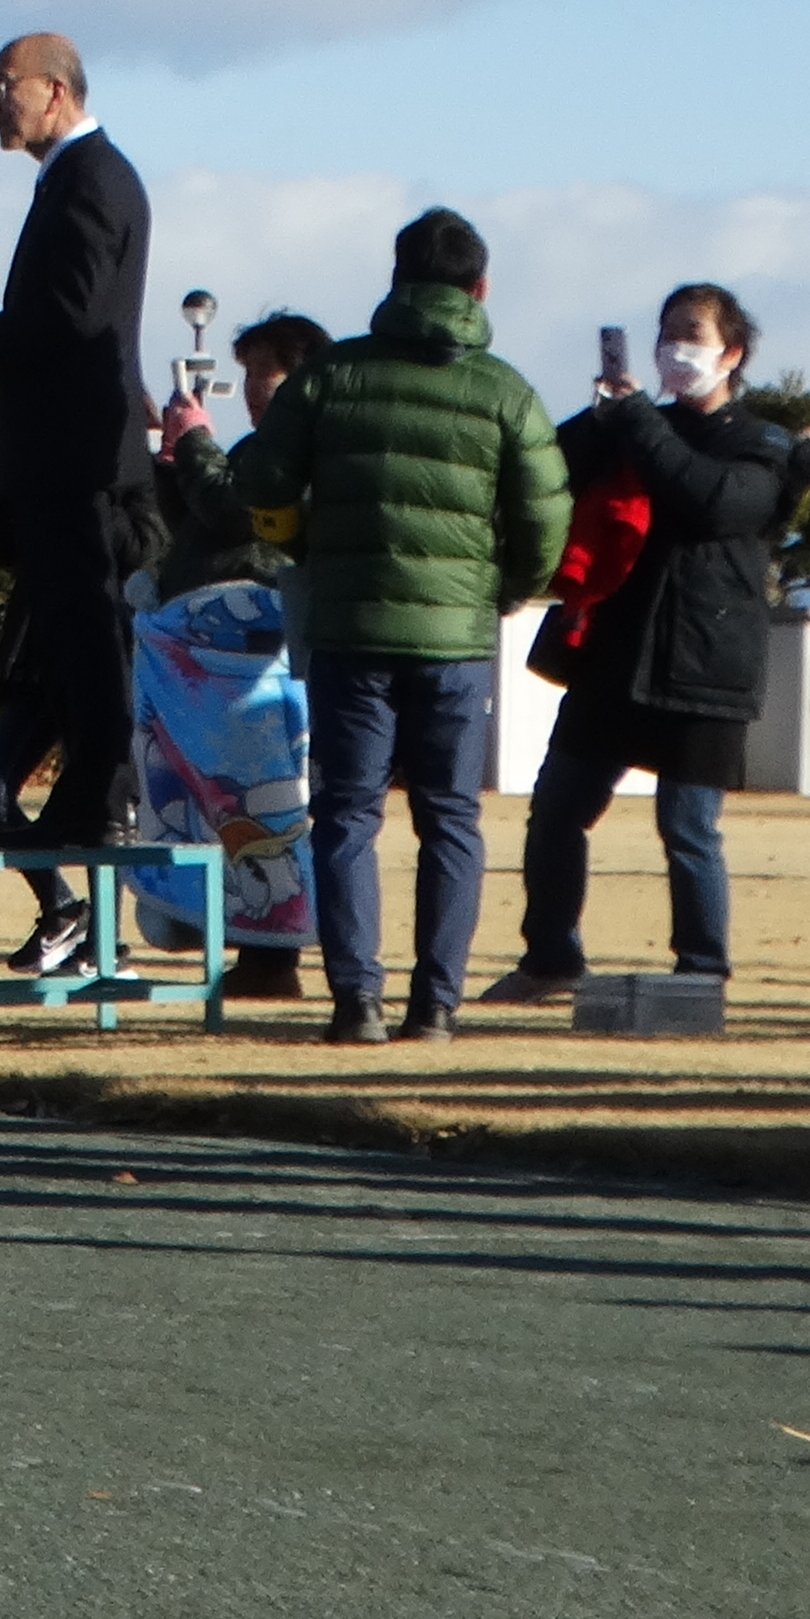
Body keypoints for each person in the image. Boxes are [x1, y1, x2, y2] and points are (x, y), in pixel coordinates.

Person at [218, 208, 566, 1044]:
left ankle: (356, 1002)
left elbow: (259, 475)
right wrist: (507, 586)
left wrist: (299, 542)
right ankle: (436, 1005)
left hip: (349, 626)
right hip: (454, 641)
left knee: (347, 815)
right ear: (479, 288)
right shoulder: (506, 390)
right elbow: (547, 518)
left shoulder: (333, 375)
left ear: (397, 280)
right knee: (450, 817)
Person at [480, 286, 810, 1006]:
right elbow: (550, 468)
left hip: (708, 664)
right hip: (615, 655)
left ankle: (701, 970)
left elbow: (712, 502)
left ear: (731, 352)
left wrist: (637, 419)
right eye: (667, 333)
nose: (676, 348)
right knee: (556, 811)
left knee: (688, 827)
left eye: (693, 334)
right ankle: (550, 957)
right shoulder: (635, 425)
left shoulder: (761, 445)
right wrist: (605, 418)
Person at [0, 34, 157, 963]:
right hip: (60, 462)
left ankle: (93, 805)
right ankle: (81, 808)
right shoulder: (75, 179)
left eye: (3, 86)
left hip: (79, 465)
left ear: (55, 91)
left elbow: (74, 314)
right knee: (71, 643)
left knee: (91, 644)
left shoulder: (95, 180)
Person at [132, 312, 335, 1004]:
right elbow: (198, 522)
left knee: (263, 808)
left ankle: (271, 957)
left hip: (251, 667)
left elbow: (235, 517)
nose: (253, 388)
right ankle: (250, 947)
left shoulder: (302, 451)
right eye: (248, 373)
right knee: (230, 806)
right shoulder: (261, 448)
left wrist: (193, 445)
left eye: (266, 373)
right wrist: (175, 461)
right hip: (217, 663)